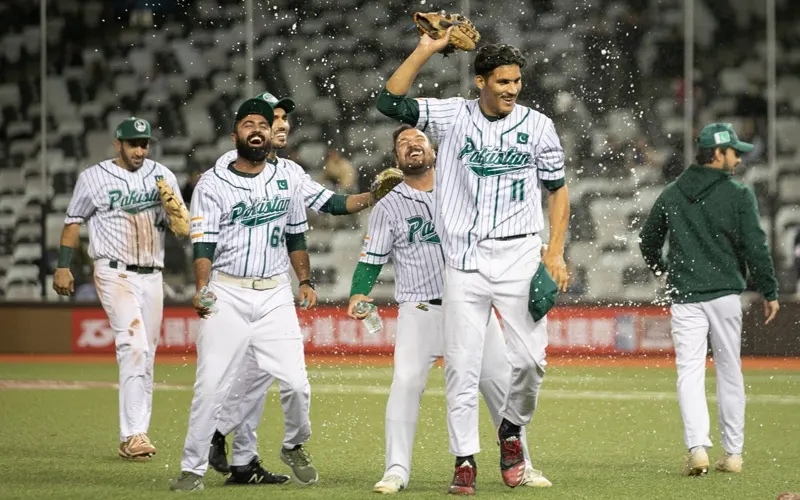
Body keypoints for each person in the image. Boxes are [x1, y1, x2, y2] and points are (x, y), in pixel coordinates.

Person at [376, 34, 570, 495]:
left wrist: (555, 251)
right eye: (502, 81)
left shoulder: (539, 125)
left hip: (520, 253)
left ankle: (509, 432)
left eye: (517, 81)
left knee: (530, 363)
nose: (511, 89)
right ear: (480, 81)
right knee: (462, 369)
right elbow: (389, 100)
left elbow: (557, 190)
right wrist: (427, 47)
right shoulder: (452, 115)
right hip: (463, 259)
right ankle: (464, 461)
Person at [349, 124, 552, 494]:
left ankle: (522, 464)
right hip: (420, 309)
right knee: (406, 385)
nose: (412, 146)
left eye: (419, 140)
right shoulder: (388, 206)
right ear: (396, 158)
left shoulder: (465, 187)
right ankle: (396, 470)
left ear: (435, 151)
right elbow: (370, 259)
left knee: (498, 385)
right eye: (404, 143)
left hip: (474, 304)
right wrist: (358, 294)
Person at [204, 91, 378, 484]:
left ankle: (231, 447)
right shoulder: (229, 167)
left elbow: (332, 203)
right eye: (273, 117)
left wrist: (371, 196)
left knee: (259, 374)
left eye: (283, 118)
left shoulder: (291, 173)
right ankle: (236, 453)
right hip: (233, 286)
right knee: (250, 373)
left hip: (273, 284)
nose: (281, 124)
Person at [169, 97, 326, 491]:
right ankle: (194, 468)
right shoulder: (214, 180)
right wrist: (203, 288)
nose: (266, 128)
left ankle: (276, 449)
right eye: (252, 123)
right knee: (212, 385)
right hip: (228, 291)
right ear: (236, 131)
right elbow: (204, 241)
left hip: (274, 293)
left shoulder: (289, 175)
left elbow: (301, 228)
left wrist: (304, 281)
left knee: (292, 384)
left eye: (271, 121)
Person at [639, 122, 780, 477]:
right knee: (729, 371)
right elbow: (755, 246)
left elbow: (648, 239)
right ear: (717, 154)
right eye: (733, 152)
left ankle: (697, 448)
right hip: (725, 296)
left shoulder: (673, 192)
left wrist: (663, 268)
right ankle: (733, 454)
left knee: (689, 372)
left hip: (686, 297)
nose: (738, 158)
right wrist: (768, 289)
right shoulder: (738, 194)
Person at [53, 117, 188, 460]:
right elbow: (73, 222)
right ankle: (132, 434)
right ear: (118, 144)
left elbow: (183, 228)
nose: (139, 150)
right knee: (134, 346)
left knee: (148, 353)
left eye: (144, 144)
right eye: (133, 144)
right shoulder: (94, 177)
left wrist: (177, 214)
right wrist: (63, 265)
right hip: (114, 270)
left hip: (152, 274)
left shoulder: (162, 175)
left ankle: (139, 430)